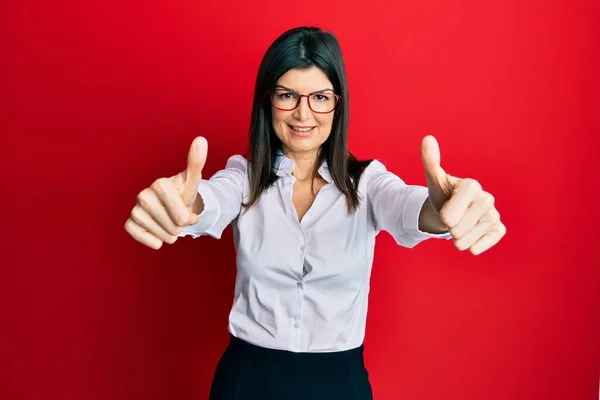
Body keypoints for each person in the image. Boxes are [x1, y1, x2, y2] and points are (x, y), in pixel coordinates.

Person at [124, 26, 506, 400]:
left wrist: (443, 211)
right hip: (247, 379)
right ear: (267, 100)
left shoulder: (368, 183)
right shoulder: (243, 177)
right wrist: (181, 205)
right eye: (288, 95)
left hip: (338, 382)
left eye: (320, 97)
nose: (303, 114)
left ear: (337, 104)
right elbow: (207, 202)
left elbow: (410, 207)